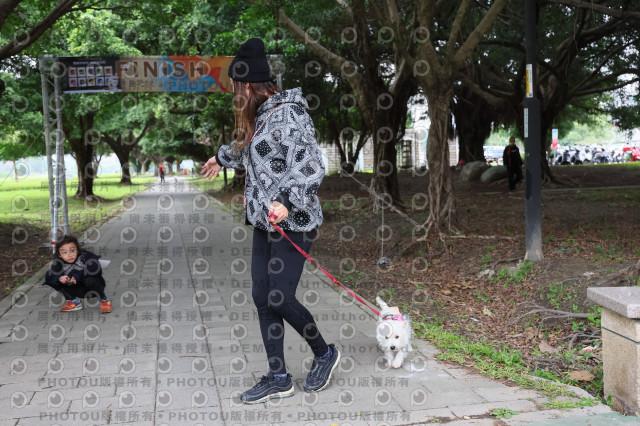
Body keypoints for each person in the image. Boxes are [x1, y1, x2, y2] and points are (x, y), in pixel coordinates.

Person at [200, 37, 339, 404]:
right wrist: (220, 157)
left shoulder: (289, 113)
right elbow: (249, 147)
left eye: (236, 86)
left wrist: (287, 202)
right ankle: (279, 376)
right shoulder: (262, 116)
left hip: (295, 221)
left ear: (247, 85)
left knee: (279, 296)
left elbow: (312, 165)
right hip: (266, 222)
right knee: (262, 296)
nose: (235, 94)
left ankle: (325, 353)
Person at [43, 235, 111, 313]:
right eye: (64, 252)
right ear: (59, 254)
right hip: (75, 288)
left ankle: (104, 300)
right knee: (52, 280)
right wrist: (59, 277)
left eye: (72, 251)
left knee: (90, 280)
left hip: (91, 288)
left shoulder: (85, 255)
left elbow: (95, 267)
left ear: (77, 250)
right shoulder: (58, 262)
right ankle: (74, 302)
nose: (70, 255)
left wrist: (78, 275)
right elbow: (49, 275)